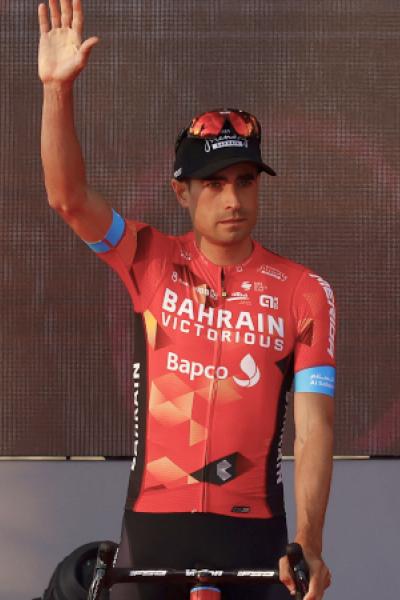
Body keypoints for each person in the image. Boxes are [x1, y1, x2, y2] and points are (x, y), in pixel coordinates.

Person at [38, 2, 335, 599]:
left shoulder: (305, 291)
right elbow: (68, 197)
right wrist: (57, 91)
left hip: (254, 535)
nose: (233, 199)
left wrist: (308, 541)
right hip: (154, 530)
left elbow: (313, 427)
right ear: (183, 192)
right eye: (215, 183)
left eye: (246, 180)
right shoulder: (149, 258)